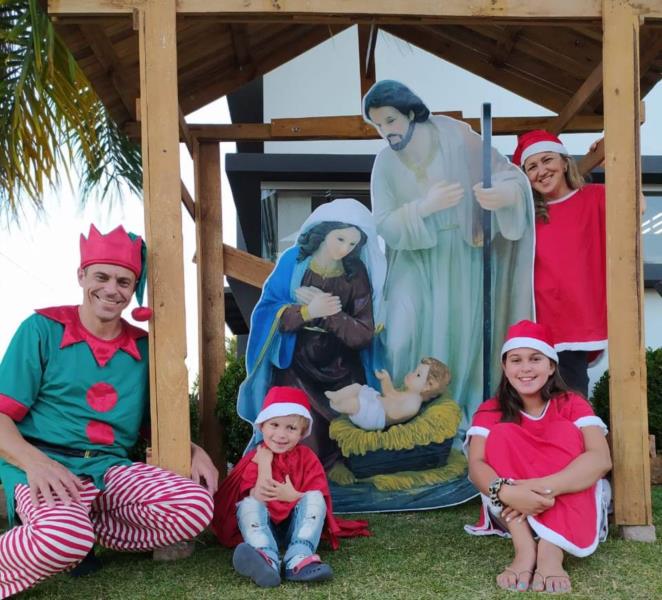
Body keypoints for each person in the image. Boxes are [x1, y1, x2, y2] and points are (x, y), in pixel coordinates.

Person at [0, 225, 218, 599]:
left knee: (195, 506)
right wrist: (36, 464)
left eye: (124, 281)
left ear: (134, 289)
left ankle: (78, 530)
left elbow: (158, 426)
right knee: (62, 539)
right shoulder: (41, 329)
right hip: (43, 463)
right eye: (101, 276)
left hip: (107, 469)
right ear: (81, 275)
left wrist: (196, 452)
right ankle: (66, 536)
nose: (112, 289)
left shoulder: (144, 347)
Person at [363, 80, 535, 434]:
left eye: (391, 121)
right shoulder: (384, 163)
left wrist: (501, 195)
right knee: (399, 336)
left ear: (410, 112)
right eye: (379, 125)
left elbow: (508, 178)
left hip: (461, 254)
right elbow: (383, 222)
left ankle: (454, 420)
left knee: (458, 336)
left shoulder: (456, 136)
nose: (386, 132)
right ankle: (403, 416)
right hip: (413, 257)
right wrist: (423, 208)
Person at [237, 198, 386, 469]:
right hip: (296, 368)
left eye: (352, 244)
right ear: (323, 232)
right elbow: (267, 311)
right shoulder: (294, 262)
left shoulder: (356, 272)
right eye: (340, 239)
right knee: (302, 443)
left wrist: (332, 315)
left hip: (342, 373)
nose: (345, 249)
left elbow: (364, 333)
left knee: (347, 449)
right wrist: (306, 312)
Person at [465, 320, 612, 593]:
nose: (525, 369)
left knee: (565, 433)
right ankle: (524, 549)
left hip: (561, 496)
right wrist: (508, 493)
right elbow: (476, 466)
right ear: (505, 367)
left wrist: (536, 490)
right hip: (510, 505)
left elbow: (600, 459)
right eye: (516, 360)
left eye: (535, 359)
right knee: (502, 436)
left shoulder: (571, 403)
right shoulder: (491, 409)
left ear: (551, 366)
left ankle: (550, 550)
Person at [212, 386, 370, 587]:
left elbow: (317, 497)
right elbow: (258, 496)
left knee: (314, 498)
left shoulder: (307, 458)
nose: (281, 434)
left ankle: (298, 557)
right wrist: (264, 464)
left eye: (291, 428)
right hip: (264, 526)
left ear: (302, 432)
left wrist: (293, 495)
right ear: (262, 426)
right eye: (274, 425)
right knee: (248, 504)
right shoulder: (257, 457)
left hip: (295, 528)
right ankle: (265, 556)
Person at [513, 130, 606, 396]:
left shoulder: (595, 197)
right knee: (532, 407)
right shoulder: (526, 213)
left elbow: (638, 205)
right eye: (532, 166)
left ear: (565, 162)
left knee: (572, 404)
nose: (541, 170)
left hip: (576, 321)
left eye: (547, 160)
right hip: (536, 321)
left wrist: (612, 161)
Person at [325, 357, 450, 430]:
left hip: (375, 416)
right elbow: (390, 394)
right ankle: (336, 395)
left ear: (428, 386)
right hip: (377, 403)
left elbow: (394, 414)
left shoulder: (413, 404)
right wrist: (385, 380)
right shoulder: (408, 394)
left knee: (355, 404)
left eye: (417, 375)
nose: (411, 374)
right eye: (415, 371)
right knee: (357, 387)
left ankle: (336, 406)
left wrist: (386, 402)